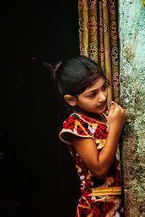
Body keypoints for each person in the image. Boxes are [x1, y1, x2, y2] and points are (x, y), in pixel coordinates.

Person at [44, 55, 126, 217]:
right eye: (92, 94)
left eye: (104, 87)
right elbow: (99, 169)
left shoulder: (106, 115)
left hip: (118, 205)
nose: (102, 97)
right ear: (72, 100)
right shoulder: (76, 125)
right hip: (96, 208)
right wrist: (115, 127)